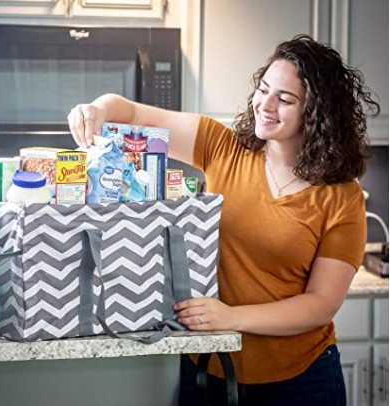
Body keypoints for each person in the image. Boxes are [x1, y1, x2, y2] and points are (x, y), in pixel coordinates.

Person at [67, 34, 380, 406]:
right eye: (264, 89)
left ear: (316, 113)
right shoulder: (222, 147)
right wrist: (97, 110)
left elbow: (321, 304)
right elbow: (128, 112)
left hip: (302, 379)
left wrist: (230, 317)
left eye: (285, 99)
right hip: (211, 368)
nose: (265, 104)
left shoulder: (340, 195)